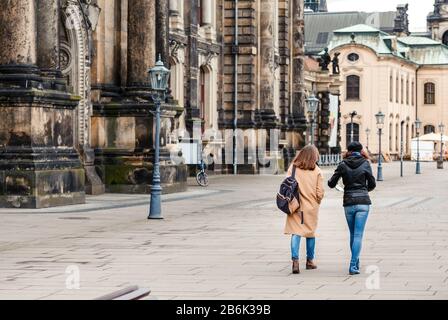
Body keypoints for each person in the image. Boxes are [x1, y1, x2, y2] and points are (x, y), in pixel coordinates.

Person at [328, 142, 376, 275]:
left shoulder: (343, 164)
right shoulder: (365, 163)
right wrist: (365, 190)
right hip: (363, 202)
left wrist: (336, 182)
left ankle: (355, 261)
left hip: (348, 202)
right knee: (359, 235)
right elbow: (372, 184)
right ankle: (354, 264)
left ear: (348, 151)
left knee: (353, 234)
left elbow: (331, 183)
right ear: (361, 151)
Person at [285, 145, 325, 274]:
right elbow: (320, 192)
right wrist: (317, 201)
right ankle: (309, 261)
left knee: (296, 232)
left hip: (295, 206)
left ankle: (295, 261)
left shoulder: (294, 168)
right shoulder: (317, 170)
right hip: (311, 207)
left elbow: (286, 184)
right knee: (310, 233)